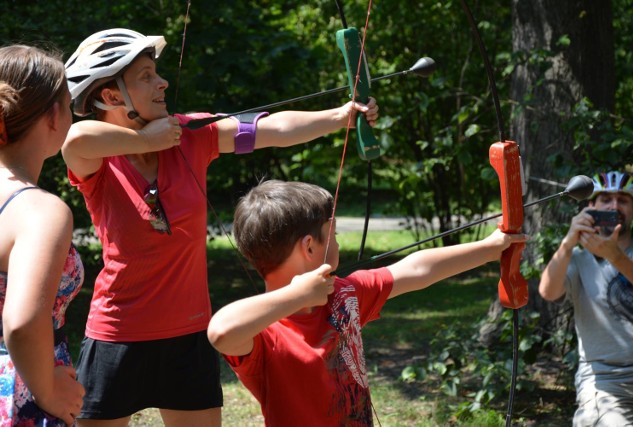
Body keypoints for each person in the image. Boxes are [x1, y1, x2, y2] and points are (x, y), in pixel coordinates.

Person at [62, 28, 379, 426]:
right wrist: (145, 140)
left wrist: (339, 118)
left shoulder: (189, 135)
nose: (162, 82)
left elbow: (272, 129)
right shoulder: (99, 160)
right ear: (111, 97)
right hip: (116, 333)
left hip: (189, 335)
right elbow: (75, 139)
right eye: (145, 76)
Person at [207, 179, 527, 426]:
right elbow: (221, 331)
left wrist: (490, 248)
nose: (337, 241)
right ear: (309, 247)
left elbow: (415, 270)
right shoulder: (264, 334)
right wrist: (298, 295)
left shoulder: (343, 295)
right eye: (331, 234)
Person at [0, 45, 85, 425]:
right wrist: (48, 391)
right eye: (69, 104)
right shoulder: (40, 211)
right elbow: (21, 322)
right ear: (54, 115)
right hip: (20, 390)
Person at [539, 170, 633, 426]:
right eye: (605, 199)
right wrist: (567, 243)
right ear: (590, 206)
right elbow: (548, 292)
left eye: (623, 200)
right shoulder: (576, 258)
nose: (614, 206)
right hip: (605, 378)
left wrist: (615, 255)